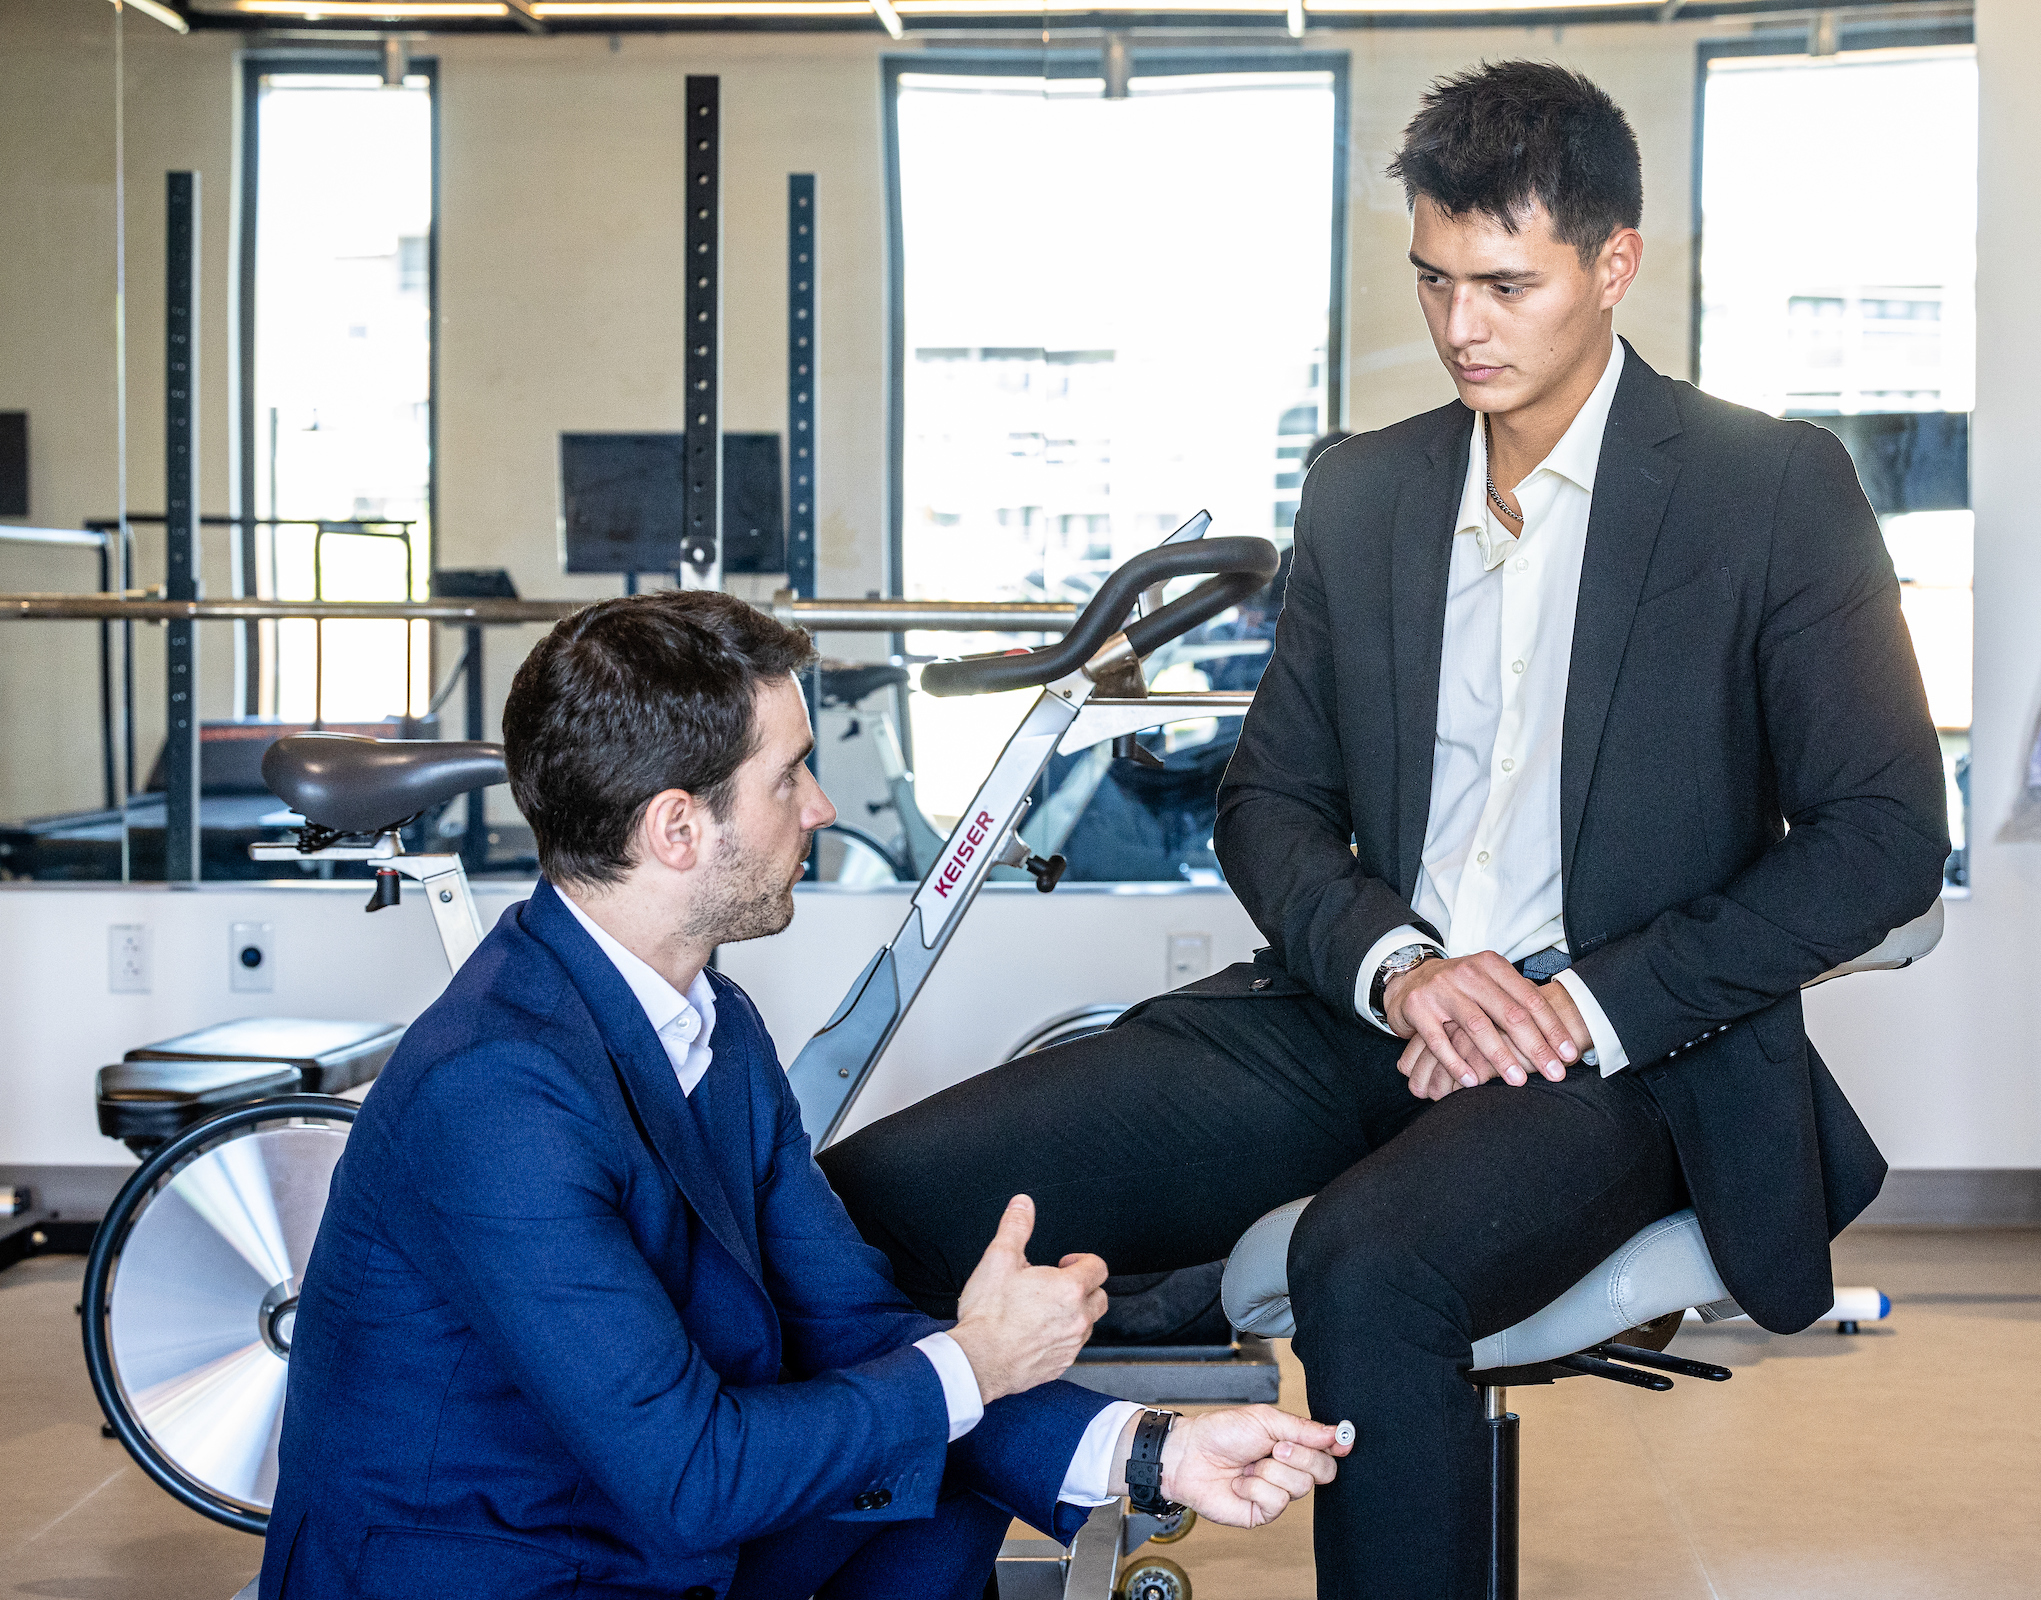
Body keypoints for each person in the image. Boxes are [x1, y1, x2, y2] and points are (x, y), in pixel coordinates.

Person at [821, 59, 1950, 1599]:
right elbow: (1268, 800)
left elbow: (1882, 835)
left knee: (1374, 1266)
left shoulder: (1769, 488)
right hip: (1360, 1012)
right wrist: (1406, 969)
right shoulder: (1365, 491)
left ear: (1613, 266)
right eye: (1434, 282)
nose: (1462, 327)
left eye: (1505, 283)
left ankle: (1180, 1291)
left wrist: (1575, 1006)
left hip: (1627, 1053)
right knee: (882, 1196)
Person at [260, 589, 1350, 1600]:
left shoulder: (711, 1025)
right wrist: (974, 1358)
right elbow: (693, 1475)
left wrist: (1148, 1449)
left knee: (936, 1467)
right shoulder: (494, 1095)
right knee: (925, 1420)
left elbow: (854, 1324)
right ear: (676, 828)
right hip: (502, 1563)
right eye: (789, 776)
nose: (822, 807)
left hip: (632, 1525)